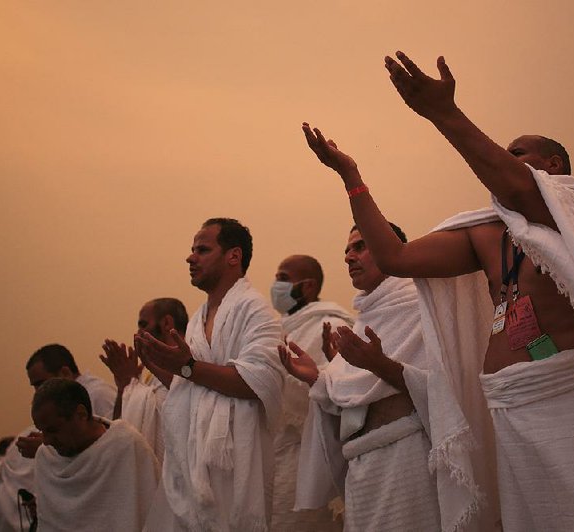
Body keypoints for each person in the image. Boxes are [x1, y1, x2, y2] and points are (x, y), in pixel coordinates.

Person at [302, 50, 574, 530]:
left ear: (553, 165)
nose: (501, 159)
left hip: (570, 390)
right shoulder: (482, 231)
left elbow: (517, 188)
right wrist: (351, 179)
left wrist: (443, 113)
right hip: (507, 401)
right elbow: (396, 258)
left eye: (516, 153)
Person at [281, 225, 481, 532]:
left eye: (360, 246)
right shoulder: (365, 319)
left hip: (406, 459)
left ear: (389, 248)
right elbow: (352, 397)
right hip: (361, 469)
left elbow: (450, 390)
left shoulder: (422, 305)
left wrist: (380, 365)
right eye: (347, 250)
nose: (349, 257)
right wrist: (318, 380)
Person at [140, 217, 284, 531]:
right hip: (191, 462)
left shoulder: (256, 311)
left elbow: (258, 382)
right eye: (192, 250)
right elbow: (191, 388)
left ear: (233, 256)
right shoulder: (196, 319)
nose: (190, 258)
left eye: (202, 249)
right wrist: (160, 366)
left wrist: (187, 368)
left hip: (232, 463)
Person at [0, 343, 117, 531]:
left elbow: (105, 452)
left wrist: (44, 449)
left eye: (40, 383)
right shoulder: (59, 402)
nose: (38, 392)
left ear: (64, 372)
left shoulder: (99, 394)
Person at [270, 254, 353, 531]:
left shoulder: (329, 325)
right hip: (277, 453)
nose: (276, 286)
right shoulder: (279, 329)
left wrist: (281, 379)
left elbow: (336, 389)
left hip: (312, 453)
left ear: (307, 287)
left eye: (283, 278)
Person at [32, 378, 159, 531]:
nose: (45, 441)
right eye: (42, 431)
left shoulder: (126, 446)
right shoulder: (46, 458)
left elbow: (155, 515)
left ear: (81, 414)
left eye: (53, 430)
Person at [100, 297, 189, 462]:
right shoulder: (147, 375)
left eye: (143, 324)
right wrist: (123, 386)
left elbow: (185, 403)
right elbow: (119, 431)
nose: (138, 333)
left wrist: (130, 383)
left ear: (167, 323)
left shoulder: (194, 359)